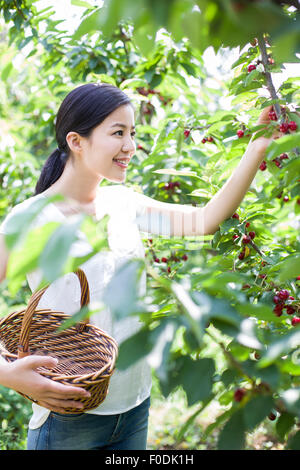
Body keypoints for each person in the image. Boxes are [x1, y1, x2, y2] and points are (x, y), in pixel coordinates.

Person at [0, 83, 280, 450]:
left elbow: (203, 221)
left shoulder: (123, 203)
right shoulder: (29, 219)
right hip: (69, 417)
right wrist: (9, 376)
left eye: (132, 133)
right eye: (118, 133)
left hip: (134, 408)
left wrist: (257, 148)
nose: (131, 146)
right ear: (76, 141)